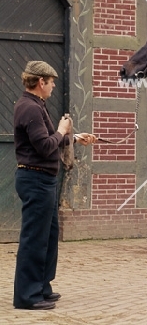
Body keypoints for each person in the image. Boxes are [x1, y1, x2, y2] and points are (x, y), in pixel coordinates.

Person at [13, 61, 97, 310]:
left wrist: (74, 137)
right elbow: (46, 146)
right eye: (51, 83)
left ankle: (41, 287)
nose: (52, 87)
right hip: (35, 180)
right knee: (34, 239)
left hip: (44, 180)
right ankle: (27, 296)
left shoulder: (37, 106)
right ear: (41, 82)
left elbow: (51, 139)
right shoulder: (29, 108)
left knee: (47, 237)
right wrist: (62, 130)